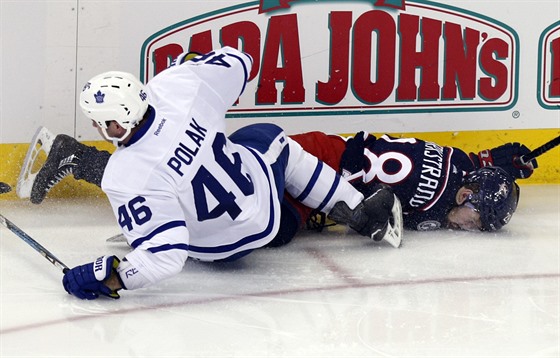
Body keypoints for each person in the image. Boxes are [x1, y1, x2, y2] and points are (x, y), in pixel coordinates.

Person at [54, 47, 402, 300]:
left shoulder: (123, 176)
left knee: (166, 201)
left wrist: (110, 277)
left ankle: (153, 220)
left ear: (115, 123)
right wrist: (193, 64)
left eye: (99, 122)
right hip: (262, 210)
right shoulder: (178, 86)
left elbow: (166, 257)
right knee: (275, 141)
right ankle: (360, 211)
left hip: (217, 250)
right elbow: (241, 60)